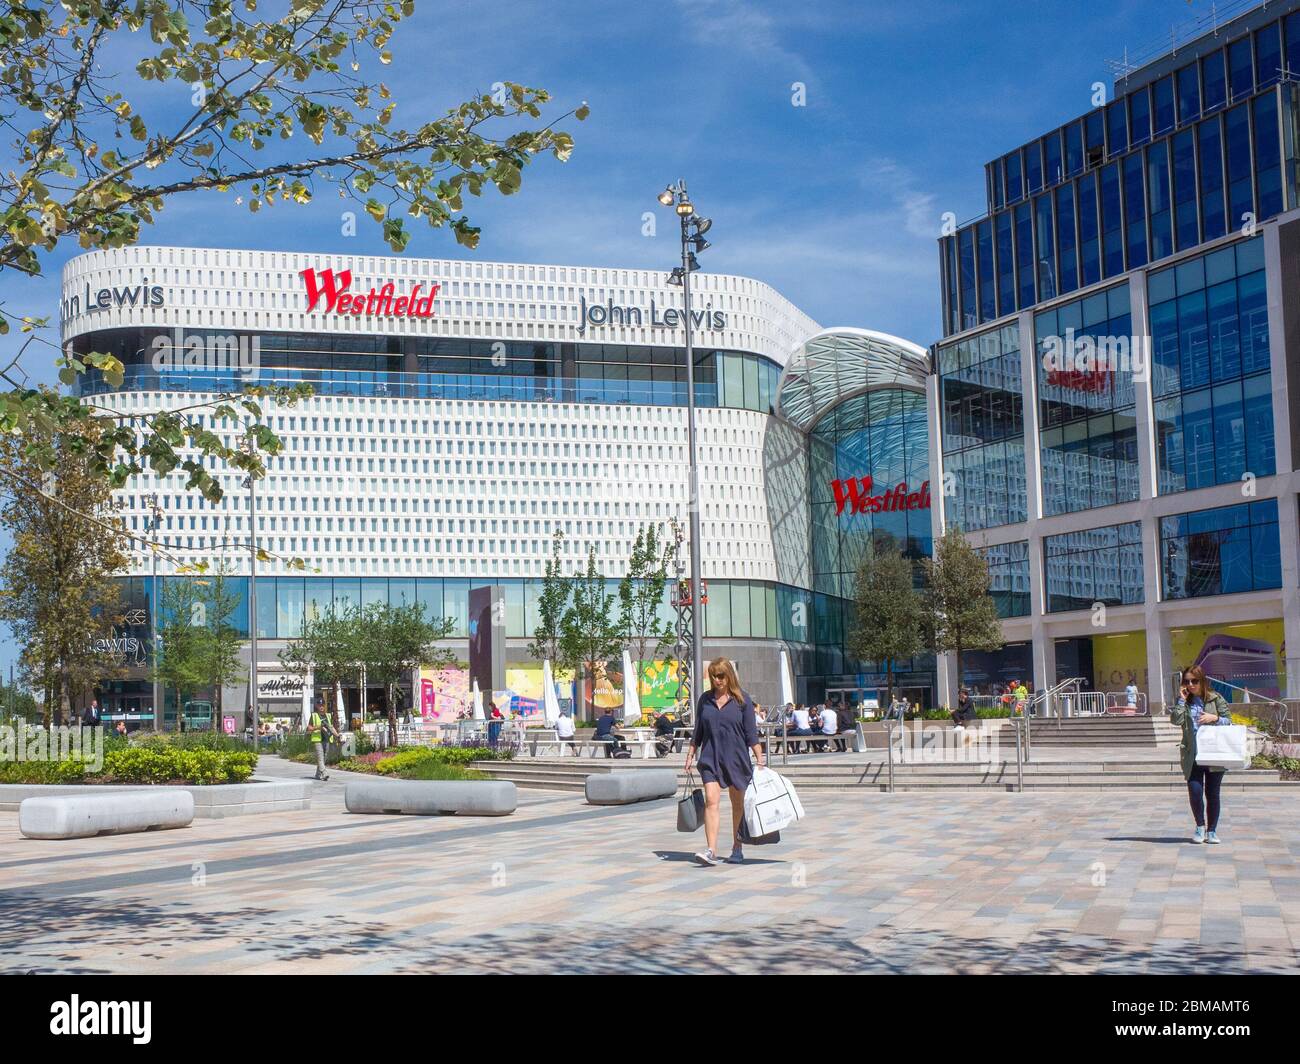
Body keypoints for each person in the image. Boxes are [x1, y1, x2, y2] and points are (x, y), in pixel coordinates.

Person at [685, 658, 763, 866]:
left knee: (737, 804)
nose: (717, 680)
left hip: (736, 758)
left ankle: (737, 847)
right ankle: (711, 850)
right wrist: (690, 754)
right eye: (713, 676)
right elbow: (698, 731)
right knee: (711, 800)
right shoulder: (705, 700)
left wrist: (760, 758)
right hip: (710, 757)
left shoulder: (742, 701)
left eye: (720, 676)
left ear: (729, 676)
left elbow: (751, 734)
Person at [1171, 665, 1232, 844]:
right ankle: (1199, 827)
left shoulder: (1215, 699)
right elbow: (1176, 720)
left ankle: (1212, 831)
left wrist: (1215, 719)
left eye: (1194, 681)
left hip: (1214, 753)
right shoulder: (1185, 701)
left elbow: (1229, 720)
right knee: (1195, 791)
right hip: (1193, 754)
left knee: (1212, 793)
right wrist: (1181, 701)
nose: (1190, 685)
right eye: (1187, 681)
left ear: (1202, 681)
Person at [307, 700, 340, 781]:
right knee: (320, 757)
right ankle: (324, 773)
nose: (321, 706)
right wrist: (319, 727)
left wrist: (337, 735)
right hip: (317, 740)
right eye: (319, 705)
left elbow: (331, 727)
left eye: (322, 705)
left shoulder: (328, 716)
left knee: (324, 758)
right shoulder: (314, 715)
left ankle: (318, 774)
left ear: (324, 705)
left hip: (326, 739)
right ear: (317, 706)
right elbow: (309, 728)